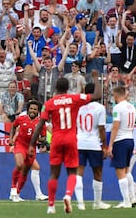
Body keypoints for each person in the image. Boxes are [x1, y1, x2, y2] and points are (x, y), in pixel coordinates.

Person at [29, 70, 102, 214]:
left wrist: (32, 144)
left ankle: (51, 206)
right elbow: (97, 95)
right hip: (71, 139)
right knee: (72, 172)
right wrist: (95, 78)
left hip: (56, 140)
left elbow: (40, 124)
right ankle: (68, 195)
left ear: (56, 88)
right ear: (68, 88)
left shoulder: (49, 103)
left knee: (54, 174)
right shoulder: (75, 98)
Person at [75, 83, 111, 210]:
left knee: (79, 172)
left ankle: (80, 204)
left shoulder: (78, 107)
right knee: (98, 172)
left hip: (79, 142)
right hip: (94, 144)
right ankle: (97, 203)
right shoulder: (100, 108)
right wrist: (105, 146)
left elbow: (75, 127)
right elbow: (101, 129)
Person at [9, 99, 48, 202]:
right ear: (28, 109)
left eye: (35, 109)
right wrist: (11, 138)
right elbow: (13, 126)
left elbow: (44, 138)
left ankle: (17, 193)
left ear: (38, 111)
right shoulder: (21, 119)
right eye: (31, 108)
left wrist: (37, 139)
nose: (32, 110)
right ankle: (13, 188)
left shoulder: (41, 123)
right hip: (20, 145)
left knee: (25, 172)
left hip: (31, 149)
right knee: (19, 164)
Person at [107, 86, 136, 208]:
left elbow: (115, 127)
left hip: (120, 140)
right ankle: (132, 197)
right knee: (126, 170)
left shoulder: (117, 108)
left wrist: (110, 145)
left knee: (120, 172)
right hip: (130, 139)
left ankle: (126, 201)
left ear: (116, 95)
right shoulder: (132, 107)